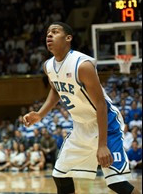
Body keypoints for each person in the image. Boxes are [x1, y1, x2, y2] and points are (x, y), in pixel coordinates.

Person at [24, 22, 140, 194]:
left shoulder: (82, 65)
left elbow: (101, 105)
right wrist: (40, 114)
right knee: (60, 176)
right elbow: (56, 90)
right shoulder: (48, 66)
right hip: (81, 126)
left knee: (117, 184)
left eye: (55, 32)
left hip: (106, 124)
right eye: (48, 33)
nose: (49, 35)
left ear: (68, 38)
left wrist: (102, 145)